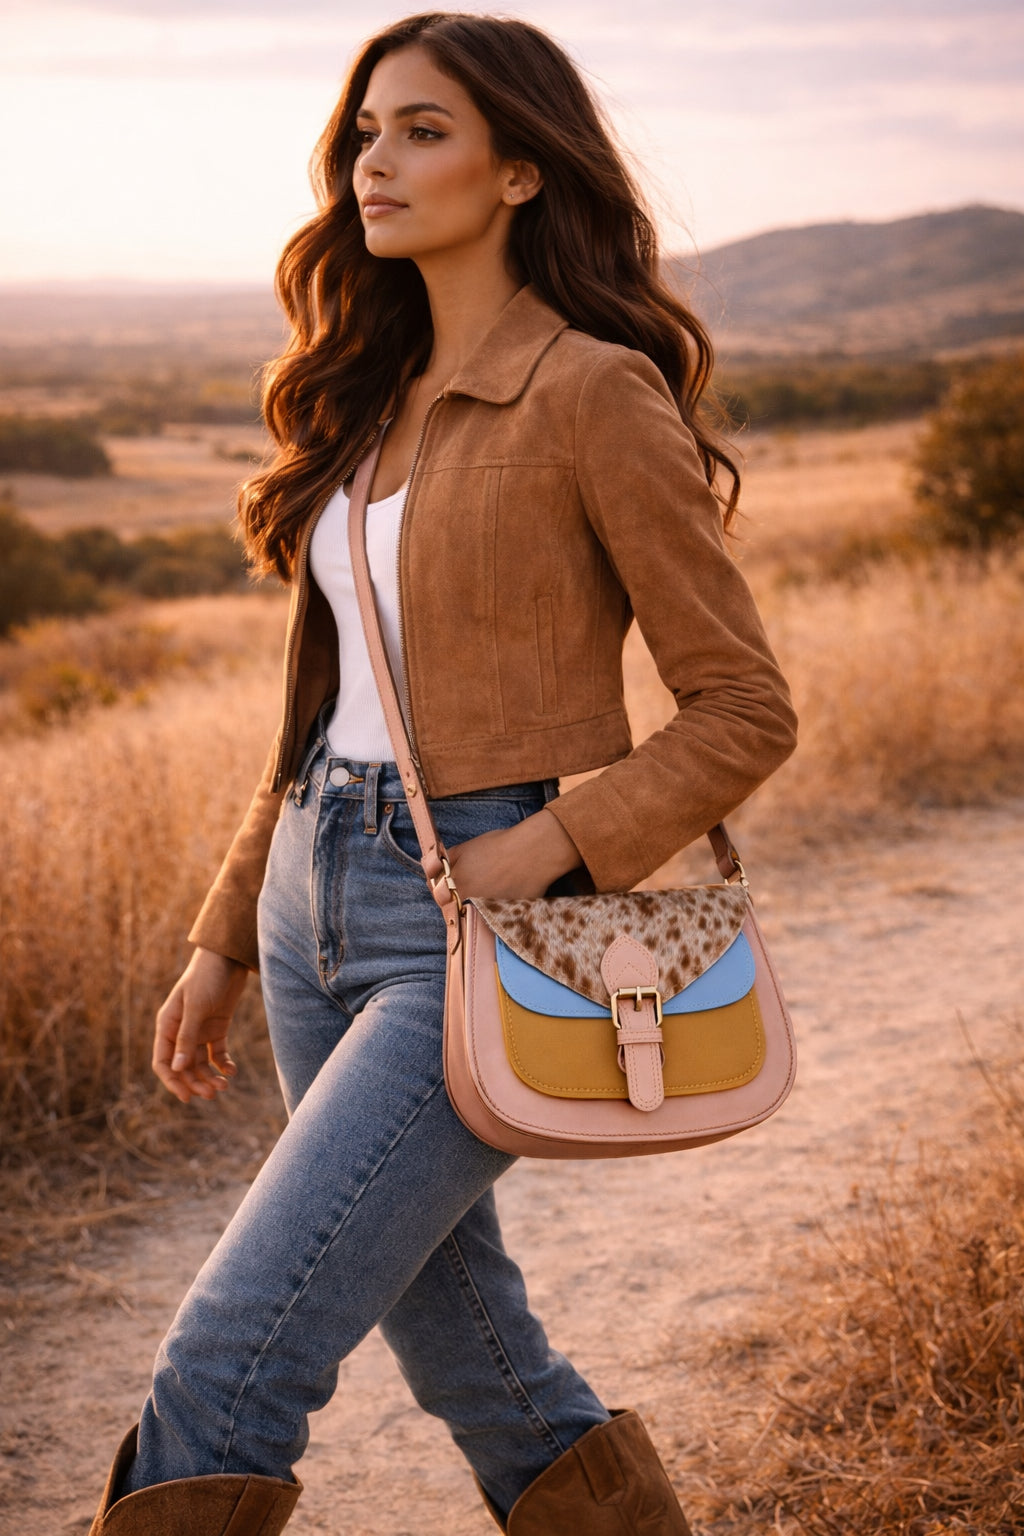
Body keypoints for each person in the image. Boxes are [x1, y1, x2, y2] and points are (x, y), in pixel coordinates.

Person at [88, 13, 797, 1535]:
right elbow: (324, 709)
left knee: (226, 1365)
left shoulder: (591, 391)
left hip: (465, 913)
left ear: (522, 170)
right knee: (480, 1359)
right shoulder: (365, 399)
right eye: (364, 132)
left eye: (422, 130)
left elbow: (743, 707)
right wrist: (225, 933)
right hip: (303, 902)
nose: (374, 163)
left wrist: (545, 848)